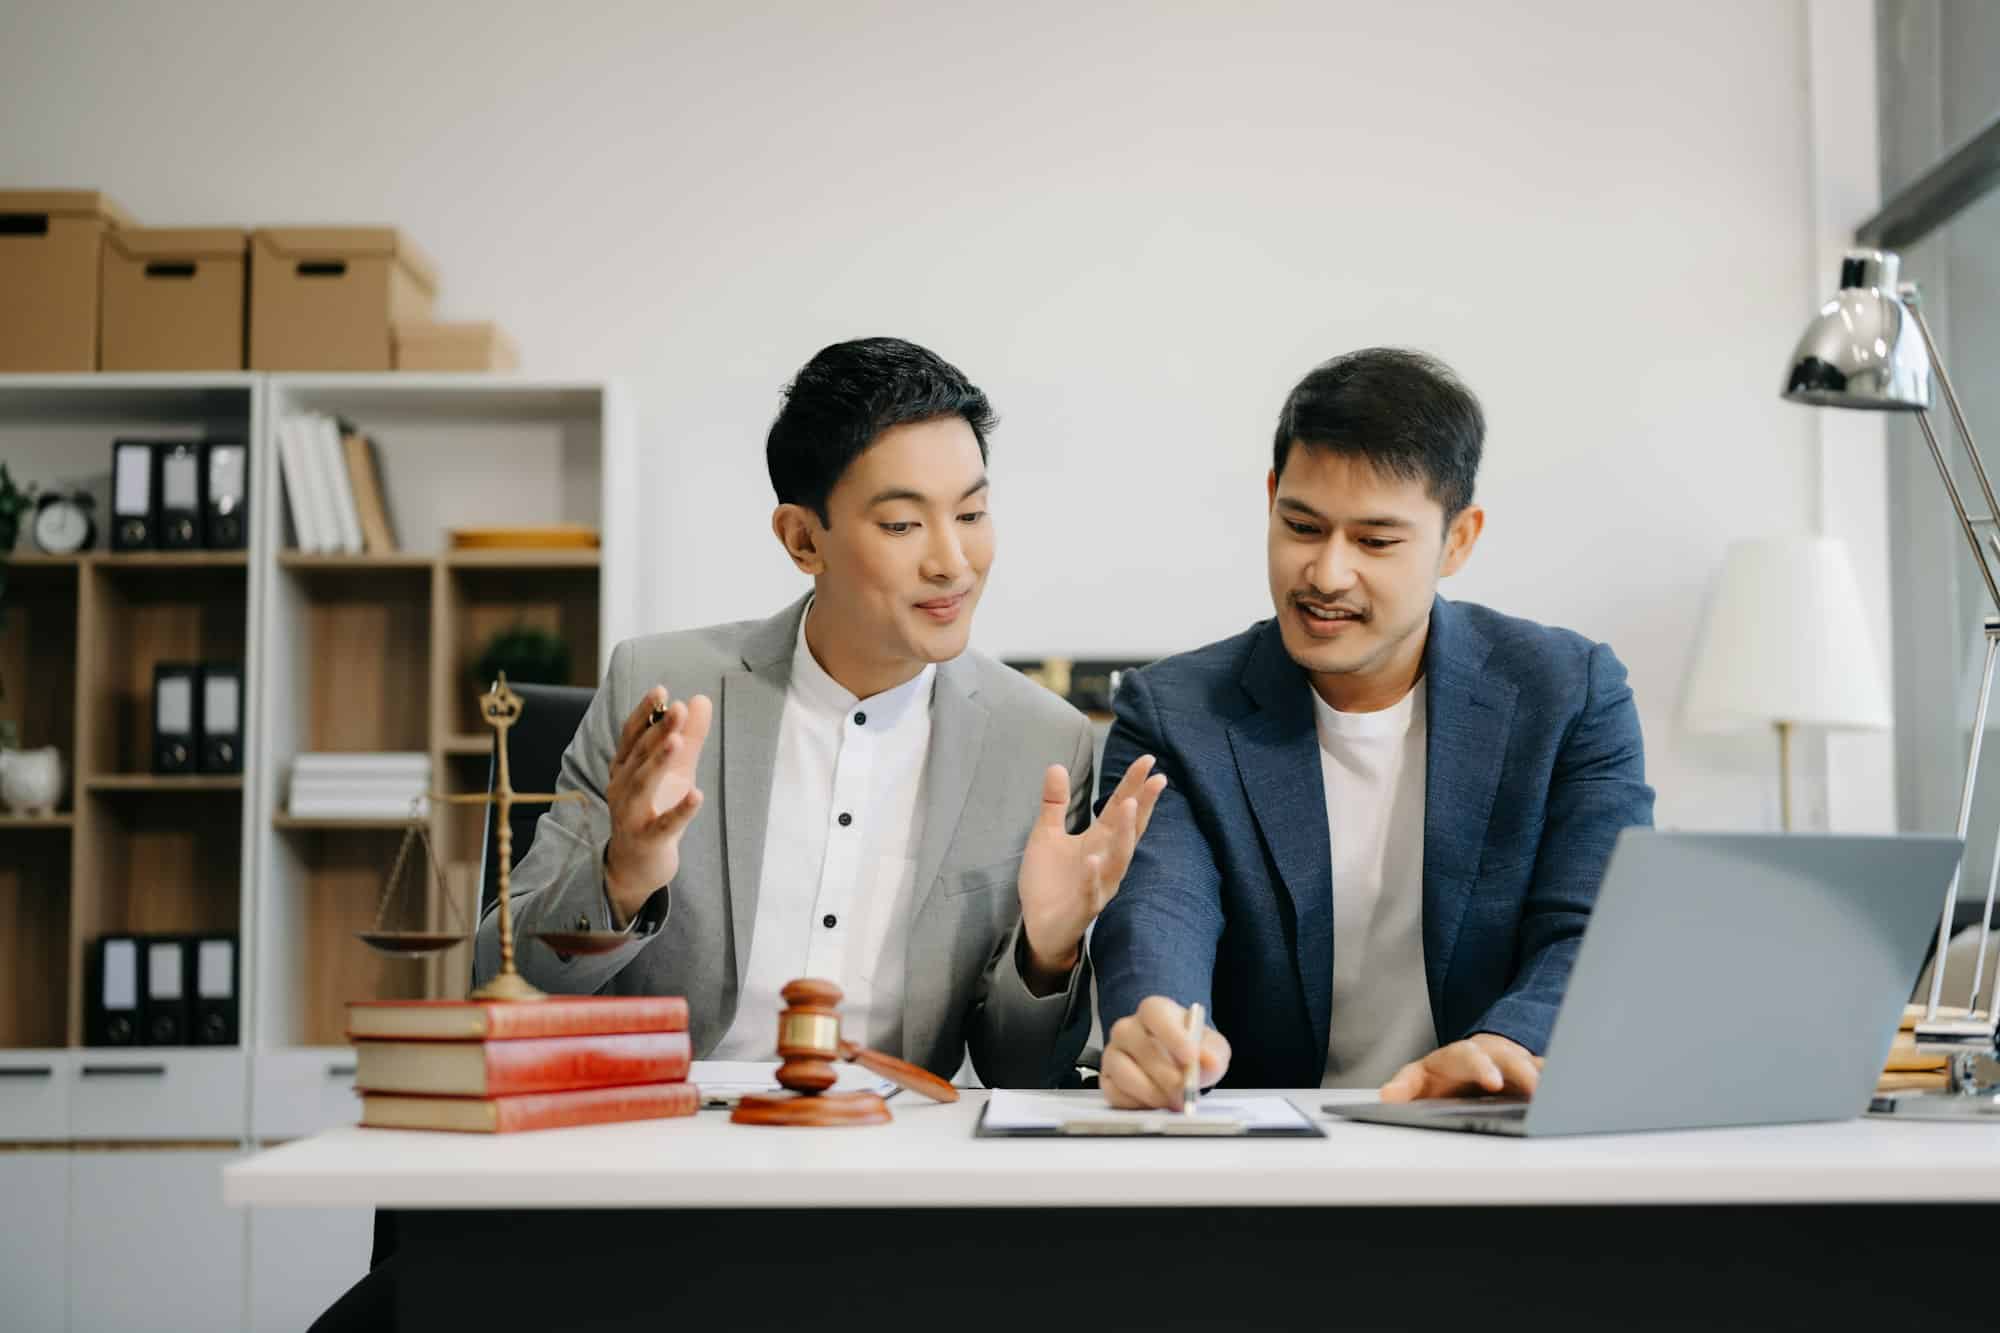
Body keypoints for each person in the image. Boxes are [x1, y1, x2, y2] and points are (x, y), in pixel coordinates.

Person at [472, 336, 1164, 1088]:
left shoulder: (1041, 741)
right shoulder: (658, 689)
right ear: (804, 539)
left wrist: (1049, 950)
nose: (952, 561)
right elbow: (503, 982)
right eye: (903, 524)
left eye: (971, 513)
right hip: (670, 1143)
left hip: (892, 1158)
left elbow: (1018, 1070)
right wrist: (622, 876)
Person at [1090, 347, 1654, 1108]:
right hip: (1268, 1152)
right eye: (1302, 525)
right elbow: (1160, 907)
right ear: (1270, 501)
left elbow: (1595, 925)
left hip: (1487, 1136)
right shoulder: (1175, 709)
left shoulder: (1569, 694)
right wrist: (1162, 1025)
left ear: (1458, 540)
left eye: (1375, 541)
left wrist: (1504, 1045)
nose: (1325, 573)